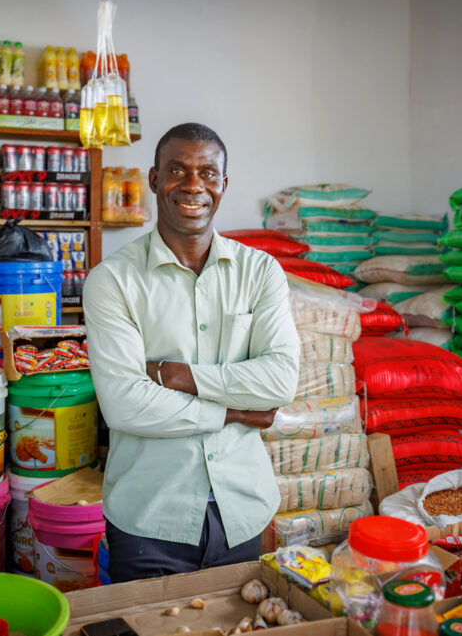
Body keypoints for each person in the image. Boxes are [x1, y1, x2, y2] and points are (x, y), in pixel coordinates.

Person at [83, 122, 300, 583]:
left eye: (207, 172)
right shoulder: (113, 281)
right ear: (155, 180)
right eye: (178, 170)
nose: (193, 185)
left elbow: (280, 379)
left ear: (224, 184)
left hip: (242, 509)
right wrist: (235, 413)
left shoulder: (260, 272)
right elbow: (125, 404)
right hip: (149, 518)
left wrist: (179, 375)